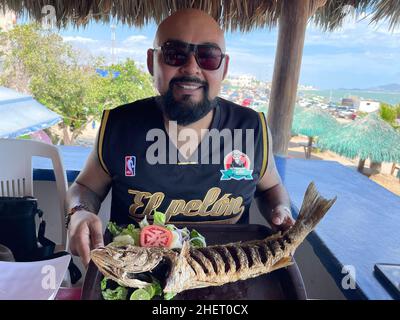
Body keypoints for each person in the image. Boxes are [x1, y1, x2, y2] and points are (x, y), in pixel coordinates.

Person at [66, 9, 295, 267]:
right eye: (175, 53)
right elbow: (85, 188)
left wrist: (281, 210)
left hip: (226, 276)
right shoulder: (119, 126)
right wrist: (79, 212)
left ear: (224, 67)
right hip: (135, 277)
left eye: (208, 57)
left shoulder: (251, 128)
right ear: (152, 61)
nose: (191, 68)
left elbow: (272, 188)